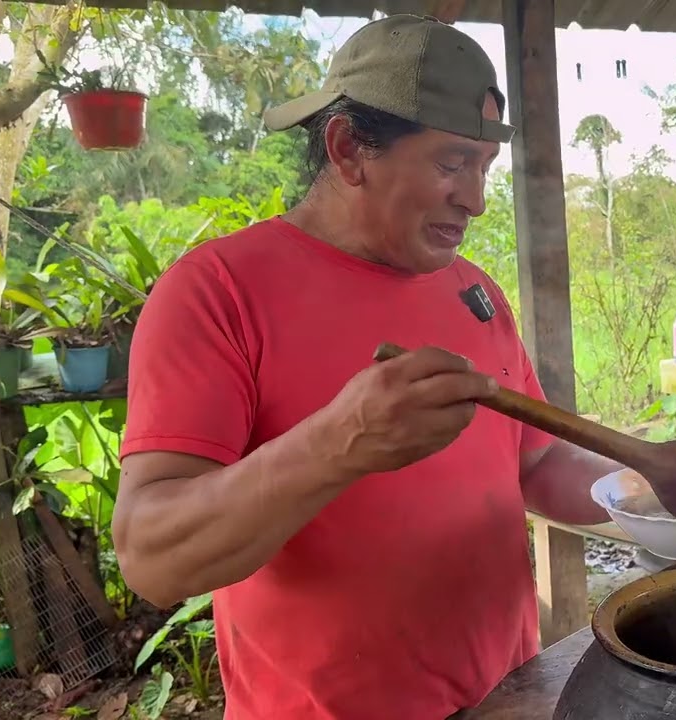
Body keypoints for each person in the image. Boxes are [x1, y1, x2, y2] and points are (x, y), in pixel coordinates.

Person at [111, 16, 632, 720]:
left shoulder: (472, 292)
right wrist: (336, 444)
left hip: (506, 702)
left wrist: (650, 488)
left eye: (484, 168)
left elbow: (533, 466)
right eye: (451, 165)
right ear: (349, 147)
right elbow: (152, 557)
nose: (475, 200)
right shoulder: (218, 292)